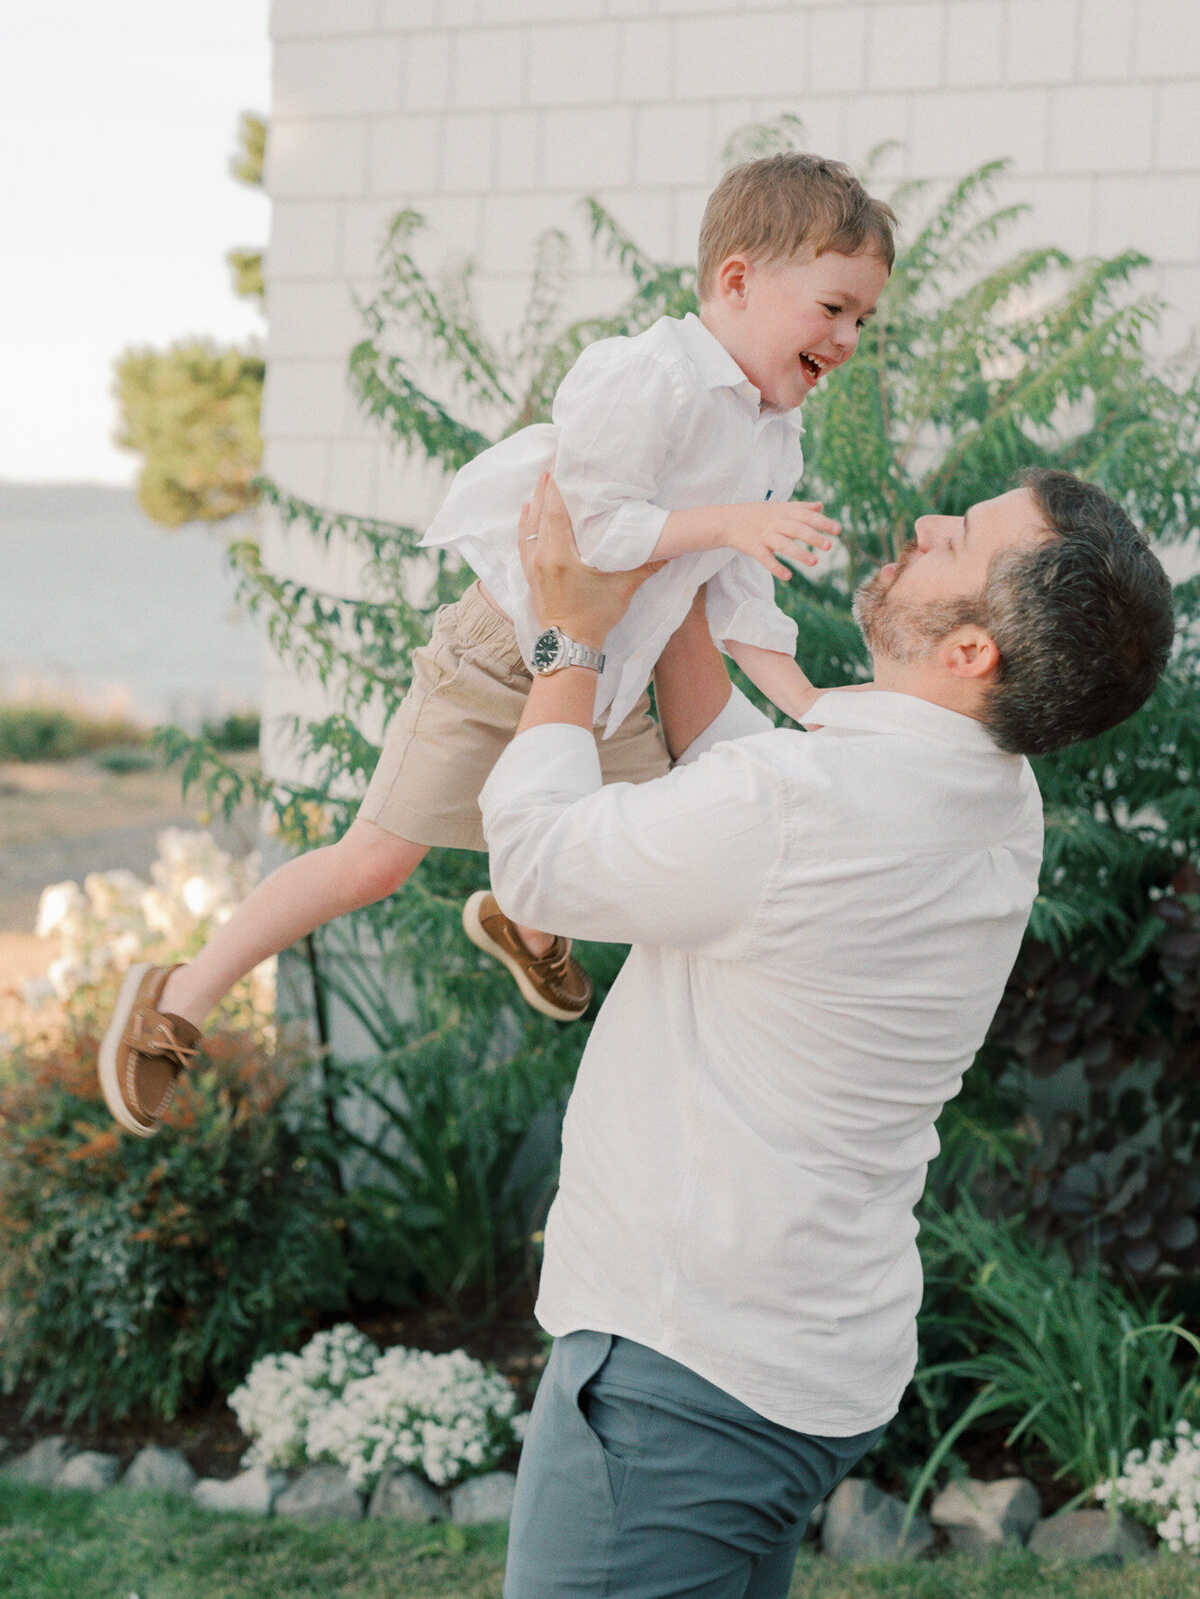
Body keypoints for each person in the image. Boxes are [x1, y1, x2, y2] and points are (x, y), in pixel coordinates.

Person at [98, 152, 894, 1139]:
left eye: (865, 320)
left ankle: (530, 916)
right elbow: (591, 539)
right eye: (834, 309)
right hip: (504, 648)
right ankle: (178, 998)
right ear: (738, 281)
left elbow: (735, 608)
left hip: (610, 679)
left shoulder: (775, 442)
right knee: (373, 861)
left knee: (661, 848)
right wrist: (727, 523)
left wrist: (817, 712)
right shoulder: (645, 376)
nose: (851, 338)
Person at [483, 468, 1173, 1599]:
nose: (928, 525)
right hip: (798, 1359)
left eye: (959, 543)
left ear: (970, 652)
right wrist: (685, 584)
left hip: (679, 1373)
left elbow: (542, 868)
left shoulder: (809, 806)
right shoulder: (991, 795)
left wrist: (571, 637)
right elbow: (739, 804)